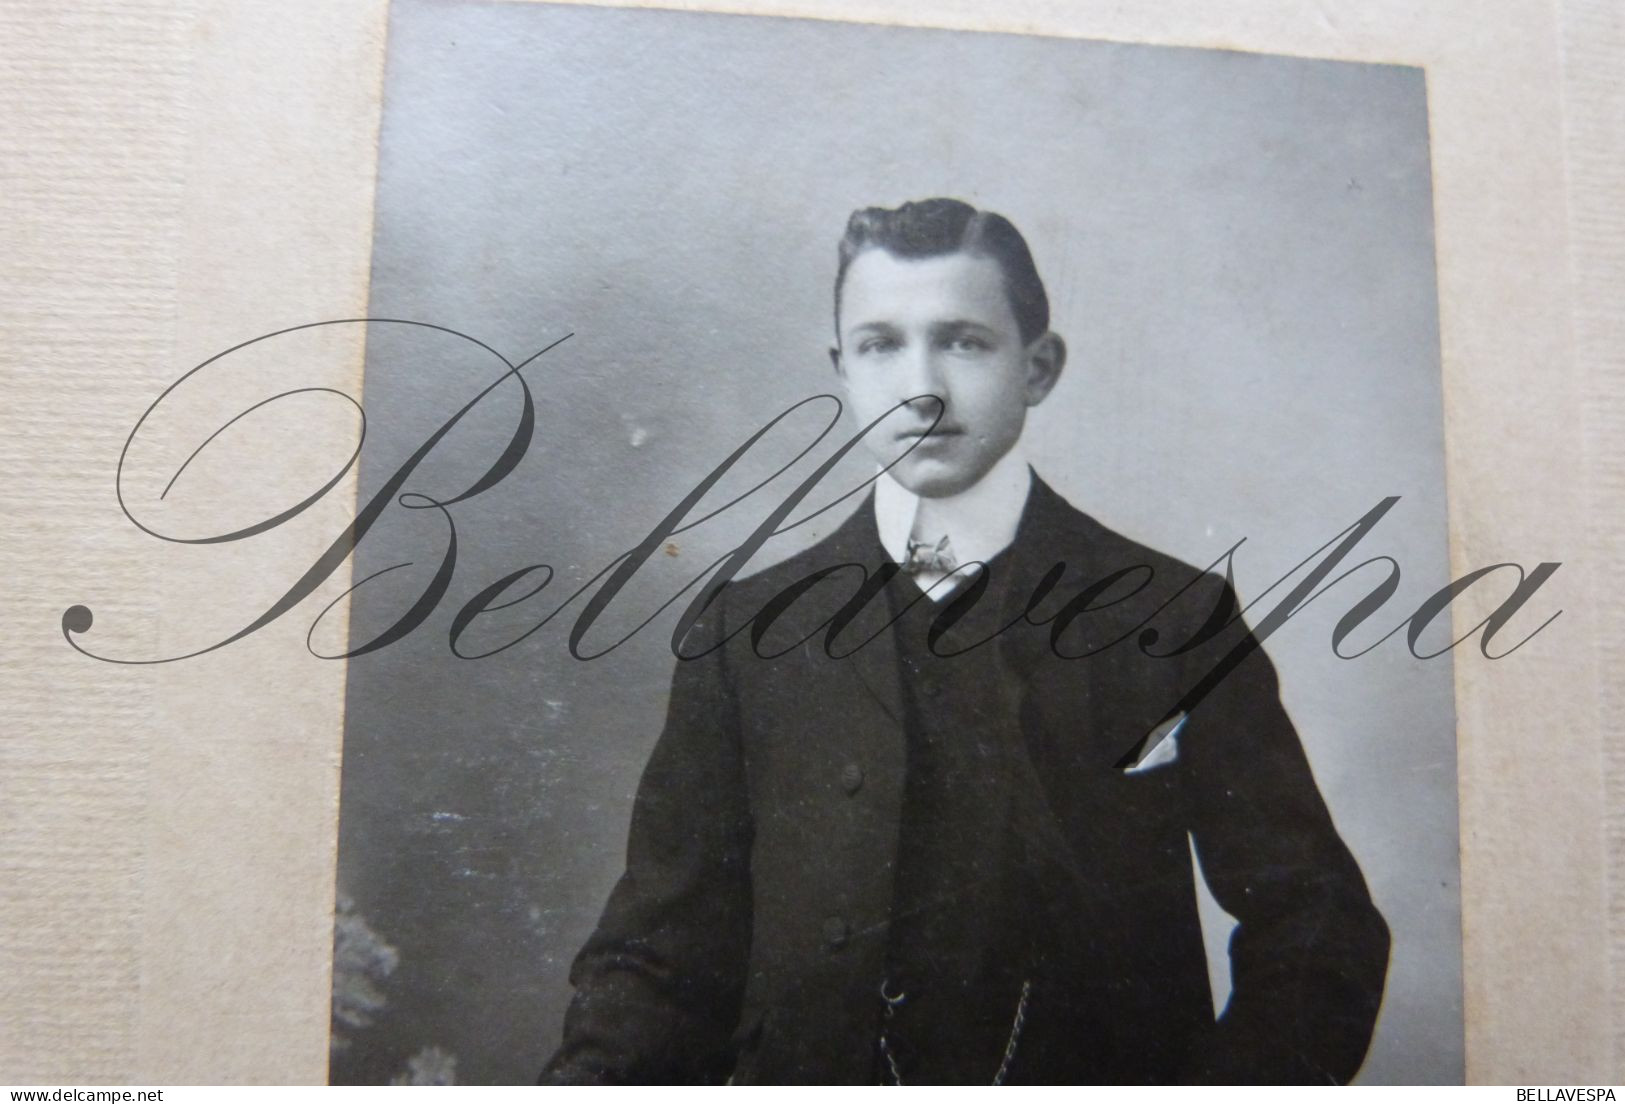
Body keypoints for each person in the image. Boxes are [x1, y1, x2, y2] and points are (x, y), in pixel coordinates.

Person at [542, 198, 1390, 1084]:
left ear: (1038, 366)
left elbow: (1316, 916)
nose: (922, 389)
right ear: (841, 369)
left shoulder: (1171, 619)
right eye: (880, 345)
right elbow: (659, 960)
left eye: (963, 342)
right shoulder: (747, 632)